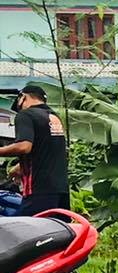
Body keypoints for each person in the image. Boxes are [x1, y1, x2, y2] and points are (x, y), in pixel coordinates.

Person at [2, 85, 70, 213]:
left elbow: (24, 147)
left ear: (23, 97)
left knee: (24, 225)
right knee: (55, 225)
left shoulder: (26, 114)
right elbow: (47, 150)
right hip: (61, 191)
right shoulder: (53, 117)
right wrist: (19, 168)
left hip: (38, 190)